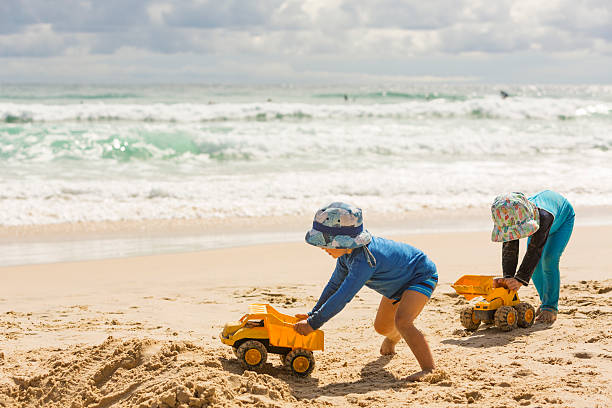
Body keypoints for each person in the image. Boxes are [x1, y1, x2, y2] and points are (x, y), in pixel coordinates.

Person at [294, 202, 438, 381]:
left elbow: (343, 296)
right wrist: (312, 314)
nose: (322, 248)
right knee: (382, 327)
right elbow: (333, 286)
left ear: (342, 241)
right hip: (396, 284)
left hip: (419, 275)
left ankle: (429, 369)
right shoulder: (347, 255)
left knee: (403, 321)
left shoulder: (364, 261)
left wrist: (313, 324)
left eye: (325, 243)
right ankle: (394, 338)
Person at [491, 191, 575, 324]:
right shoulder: (511, 216)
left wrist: (519, 280)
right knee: (534, 268)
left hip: (562, 220)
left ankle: (551, 307)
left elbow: (535, 250)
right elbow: (510, 249)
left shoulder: (542, 217)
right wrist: (508, 278)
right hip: (539, 224)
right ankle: (545, 302)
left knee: (549, 259)